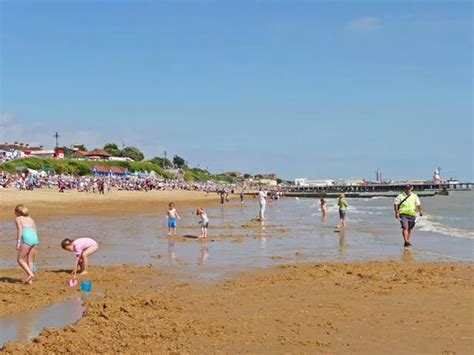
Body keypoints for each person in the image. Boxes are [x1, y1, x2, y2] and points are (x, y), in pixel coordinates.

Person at [14, 205, 39, 284]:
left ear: (18, 212)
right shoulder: (30, 219)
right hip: (35, 239)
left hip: (27, 239)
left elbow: (20, 230)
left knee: (20, 259)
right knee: (30, 260)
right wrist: (35, 241)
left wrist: (18, 242)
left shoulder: (18, 219)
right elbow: (35, 230)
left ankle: (30, 274)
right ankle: (30, 280)